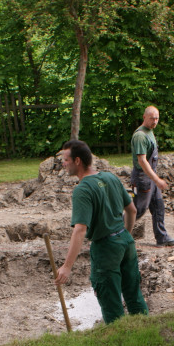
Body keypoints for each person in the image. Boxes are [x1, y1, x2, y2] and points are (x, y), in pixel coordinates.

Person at [55, 139, 149, 324]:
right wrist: (126, 236)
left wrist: (66, 267)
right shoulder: (110, 177)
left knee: (111, 304)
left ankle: (118, 345)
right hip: (125, 241)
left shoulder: (82, 189)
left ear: (78, 161)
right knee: (134, 296)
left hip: (105, 249)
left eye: (66, 159)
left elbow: (80, 230)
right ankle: (146, 333)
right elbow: (132, 210)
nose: (63, 164)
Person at [131, 105, 174, 247]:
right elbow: (142, 161)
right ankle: (112, 234)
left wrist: (154, 180)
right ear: (144, 117)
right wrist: (156, 179)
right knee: (137, 210)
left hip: (150, 178)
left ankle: (162, 238)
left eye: (157, 118)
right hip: (142, 179)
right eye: (152, 118)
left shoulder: (150, 132)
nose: (155, 121)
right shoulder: (140, 136)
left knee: (158, 206)